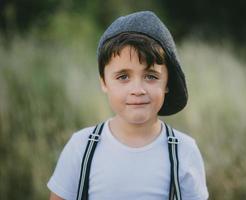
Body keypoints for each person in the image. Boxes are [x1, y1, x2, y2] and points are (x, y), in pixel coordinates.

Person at [47, 11, 209, 200]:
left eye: (151, 76)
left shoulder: (184, 151)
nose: (137, 89)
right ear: (104, 82)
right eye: (123, 77)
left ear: (167, 84)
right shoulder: (81, 147)